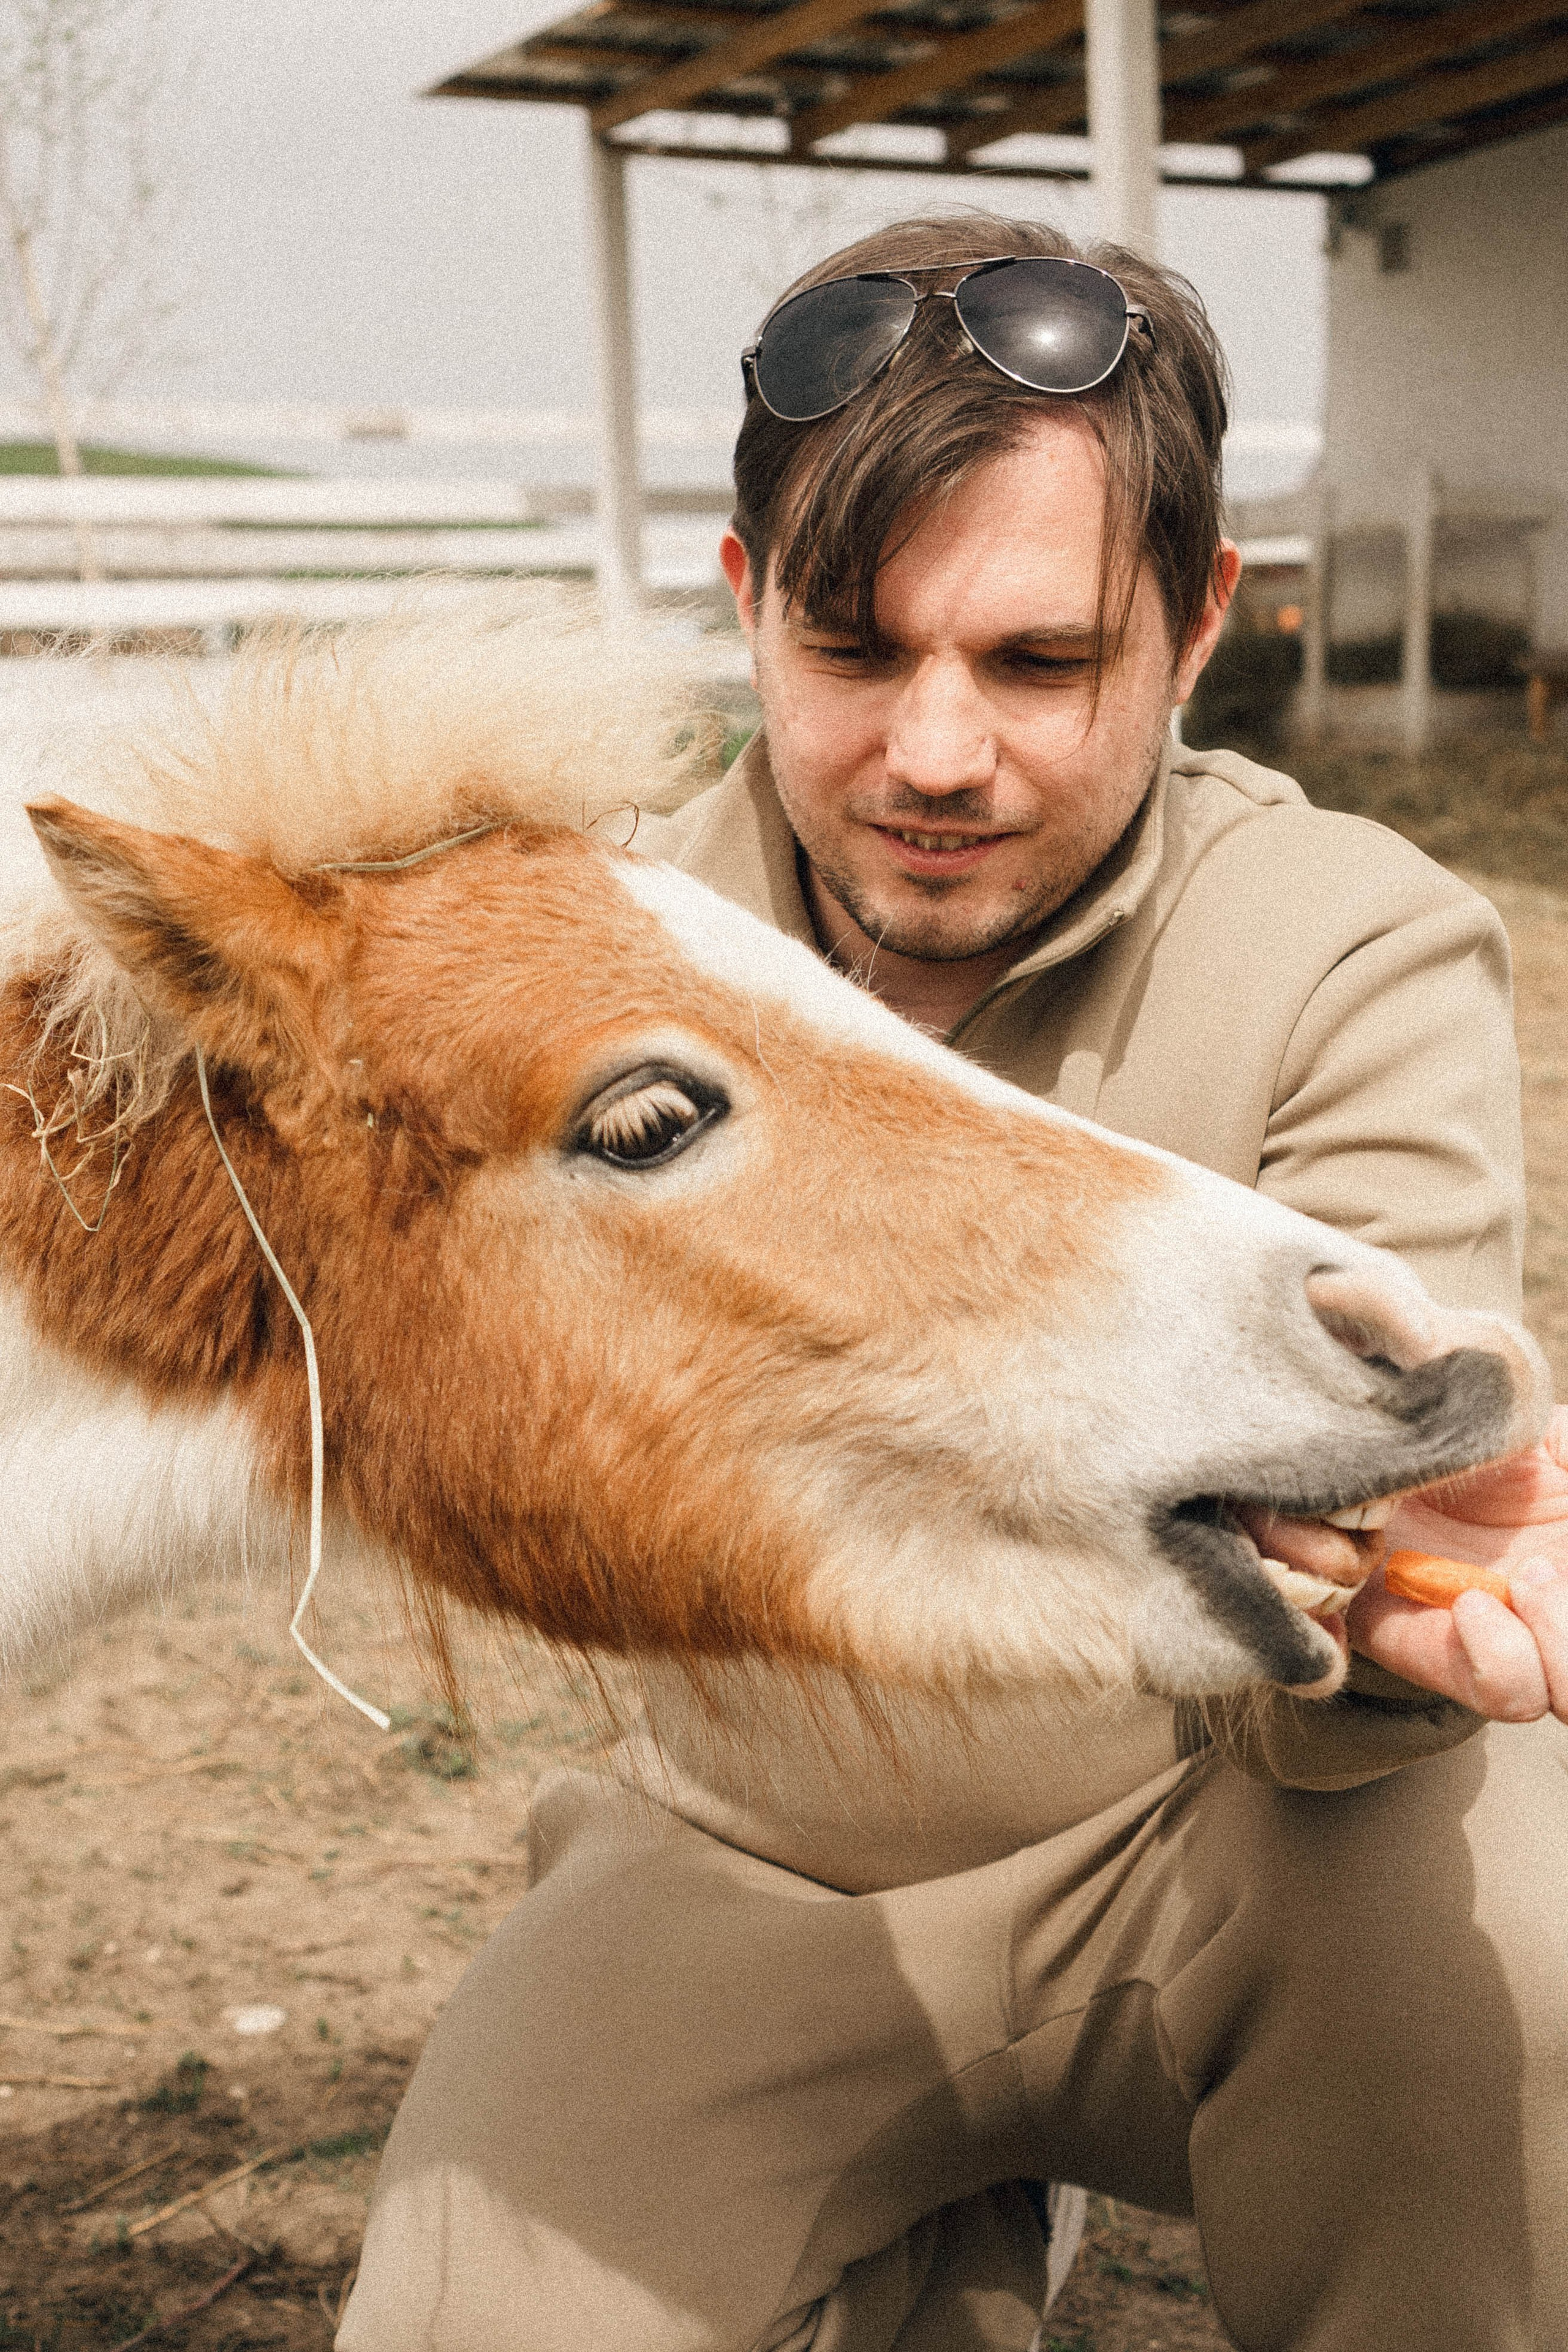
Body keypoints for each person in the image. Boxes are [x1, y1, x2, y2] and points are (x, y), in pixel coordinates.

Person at [339, 217, 1568, 2352]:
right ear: (744, 607)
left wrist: (1398, 1613)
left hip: (1219, 1841)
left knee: (1525, 1947)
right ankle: (934, 2238)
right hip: (749, 1860)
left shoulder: (1360, 946)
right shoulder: (592, 957)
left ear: (1198, 631)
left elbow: (1395, 1538)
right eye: (851, 646)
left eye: (1036, 662)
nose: (931, 755)